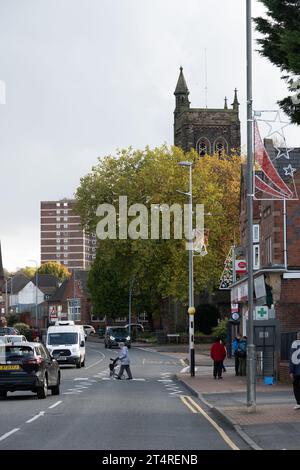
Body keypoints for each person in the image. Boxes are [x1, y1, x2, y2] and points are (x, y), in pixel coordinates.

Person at [289, 332, 300, 410]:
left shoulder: (294, 344)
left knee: (296, 386)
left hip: (297, 370)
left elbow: (292, 358)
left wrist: (291, 371)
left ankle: (299, 403)